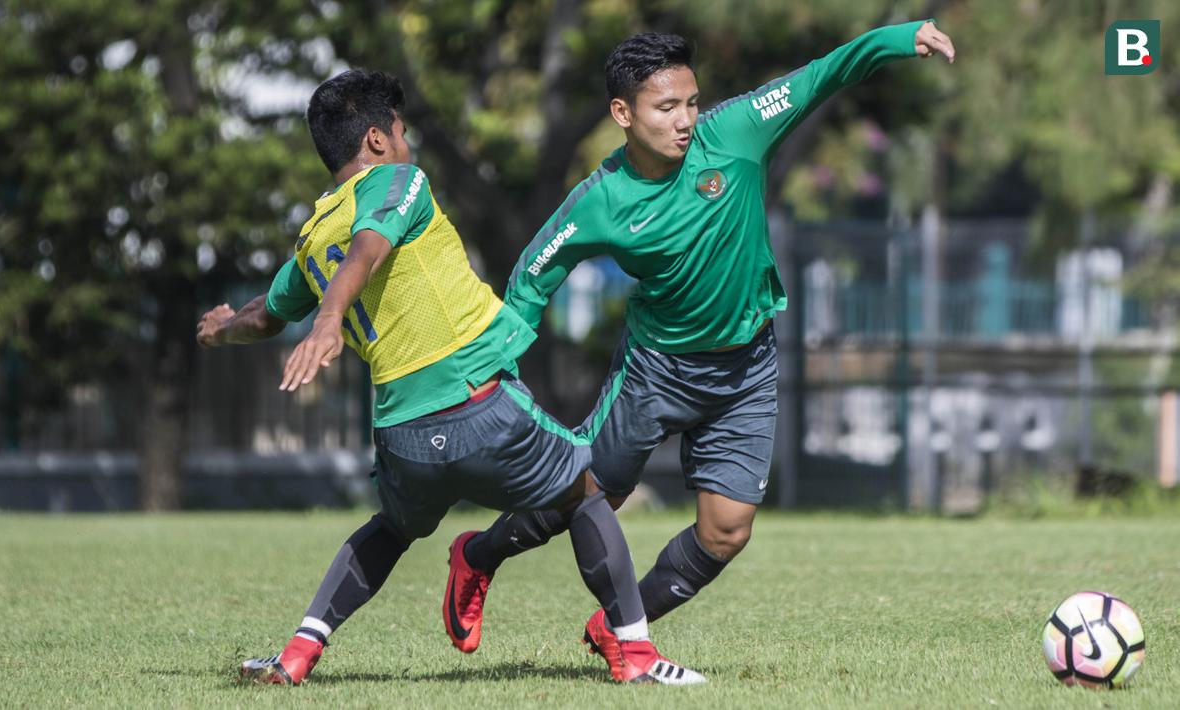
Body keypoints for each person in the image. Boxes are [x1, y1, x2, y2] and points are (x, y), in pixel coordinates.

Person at [450, 20, 956, 660]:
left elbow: (823, 73)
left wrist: (900, 37)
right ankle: (478, 554)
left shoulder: (738, 130)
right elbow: (532, 277)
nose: (686, 120)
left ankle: (620, 626)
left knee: (727, 532)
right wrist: (493, 365)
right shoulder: (600, 200)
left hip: (747, 369)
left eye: (690, 102)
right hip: (654, 372)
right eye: (666, 108)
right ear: (623, 114)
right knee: (588, 495)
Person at [196, 68, 704, 686]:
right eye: (402, 132)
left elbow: (263, 315)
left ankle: (297, 656)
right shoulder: (397, 181)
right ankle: (638, 657)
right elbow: (369, 246)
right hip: (477, 405)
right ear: (378, 141)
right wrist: (329, 320)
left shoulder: (310, 241)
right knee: (586, 492)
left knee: (391, 529)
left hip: (402, 440)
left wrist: (221, 328)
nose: (406, 146)